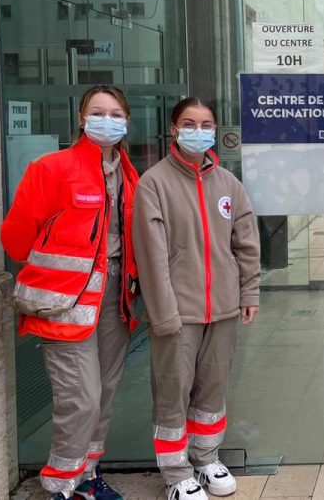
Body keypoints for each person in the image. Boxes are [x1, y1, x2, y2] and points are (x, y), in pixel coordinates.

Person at [0, 85, 140, 500]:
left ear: (127, 121)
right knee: (80, 398)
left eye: (116, 114)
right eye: (99, 112)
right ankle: (61, 485)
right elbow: (15, 240)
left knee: (105, 394)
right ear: (81, 118)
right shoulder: (53, 169)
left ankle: (88, 478)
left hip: (116, 298)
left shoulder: (130, 174)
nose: (108, 121)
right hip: (66, 302)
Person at [132, 97, 262, 500]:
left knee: (212, 386)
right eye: (189, 123)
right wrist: (163, 312)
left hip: (221, 308)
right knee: (173, 389)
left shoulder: (228, 184)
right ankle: (175, 473)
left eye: (206, 124)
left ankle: (206, 459)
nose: (198, 131)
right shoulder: (153, 183)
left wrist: (248, 290)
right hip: (177, 311)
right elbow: (151, 256)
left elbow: (246, 244)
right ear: (174, 128)